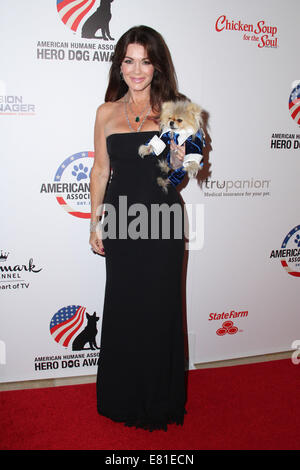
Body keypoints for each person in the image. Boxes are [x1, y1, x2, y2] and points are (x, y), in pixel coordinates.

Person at [89, 25, 189, 432]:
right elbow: (100, 169)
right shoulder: (106, 112)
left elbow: (177, 177)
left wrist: (182, 161)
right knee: (125, 306)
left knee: (160, 307)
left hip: (163, 221)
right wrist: (95, 220)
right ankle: (123, 395)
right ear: (120, 65)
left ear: (156, 65)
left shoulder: (173, 111)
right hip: (121, 221)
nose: (137, 70)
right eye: (129, 60)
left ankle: (158, 399)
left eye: (145, 61)